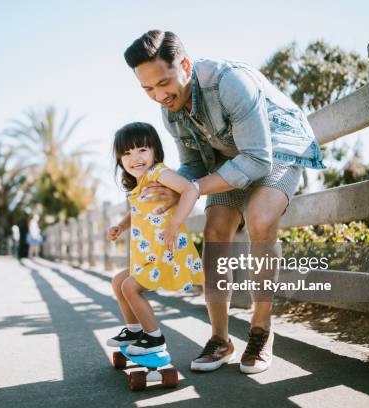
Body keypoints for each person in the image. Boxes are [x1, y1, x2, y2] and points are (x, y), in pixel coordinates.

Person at [123, 31, 325, 373]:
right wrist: (176, 185)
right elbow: (194, 165)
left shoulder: (229, 82)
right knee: (215, 229)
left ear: (184, 65)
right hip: (228, 160)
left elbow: (259, 160)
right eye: (148, 90)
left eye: (164, 83)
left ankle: (261, 330)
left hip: (277, 150)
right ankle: (220, 339)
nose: (159, 95)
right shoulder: (170, 111)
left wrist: (191, 188)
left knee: (261, 219)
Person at [105, 122, 204, 355]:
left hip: (165, 251)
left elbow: (190, 190)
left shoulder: (158, 173)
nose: (135, 157)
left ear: (155, 151)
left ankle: (154, 337)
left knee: (130, 287)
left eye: (142, 149)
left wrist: (175, 224)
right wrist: (120, 225)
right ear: (120, 160)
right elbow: (138, 210)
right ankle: (134, 330)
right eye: (127, 153)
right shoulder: (140, 184)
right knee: (119, 282)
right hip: (149, 254)